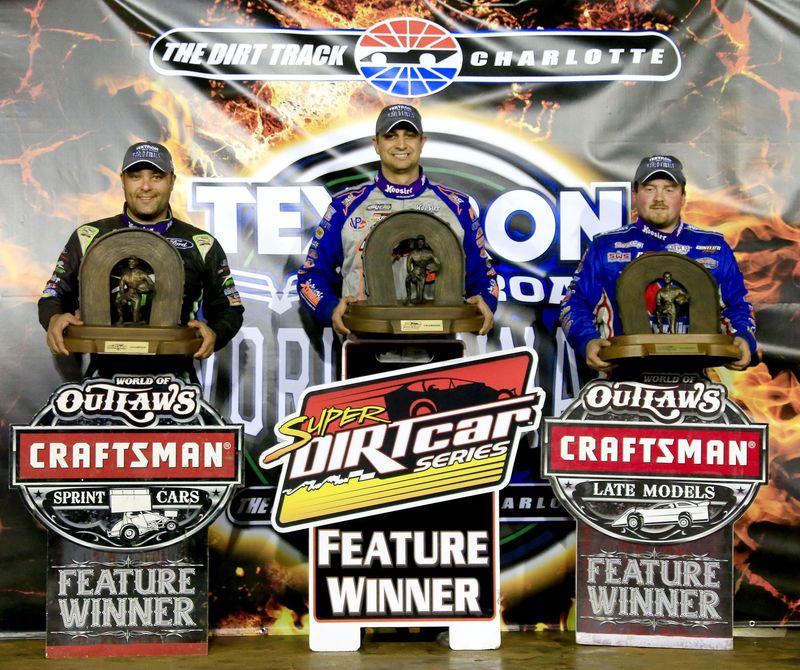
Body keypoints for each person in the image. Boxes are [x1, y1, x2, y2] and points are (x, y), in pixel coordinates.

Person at [39, 141, 244, 378]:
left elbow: (229, 306)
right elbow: (53, 295)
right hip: (102, 382)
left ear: (172, 181)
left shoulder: (201, 243)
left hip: (176, 383)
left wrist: (216, 333)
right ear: (123, 180)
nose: (146, 186)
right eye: (136, 176)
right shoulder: (89, 237)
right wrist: (53, 318)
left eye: (156, 177)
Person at [296, 103, 498, 335]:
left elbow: (483, 274)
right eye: (391, 136)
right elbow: (311, 275)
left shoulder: (458, 207)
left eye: (409, 136)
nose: (401, 144)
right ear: (376, 144)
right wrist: (330, 308)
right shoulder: (345, 207)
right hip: (363, 343)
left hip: (438, 346)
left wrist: (485, 301)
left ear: (422, 142)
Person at [560, 154, 756, 373]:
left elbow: (738, 305)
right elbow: (574, 303)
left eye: (669, 189)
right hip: (622, 381)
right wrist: (587, 341)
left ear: (683, 196)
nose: (659, 198)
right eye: (650, 189)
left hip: (694, 384)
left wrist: (743, 337)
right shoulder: (605, 247)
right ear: (635, 194)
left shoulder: (714, 247)